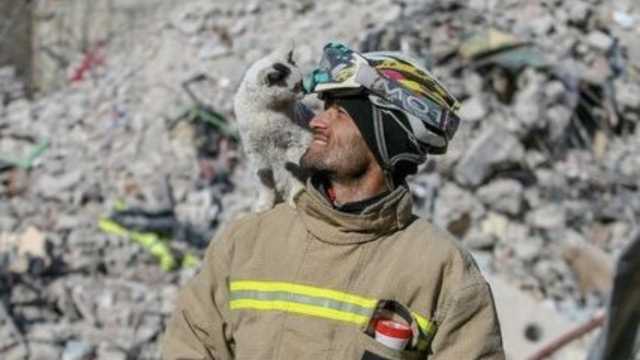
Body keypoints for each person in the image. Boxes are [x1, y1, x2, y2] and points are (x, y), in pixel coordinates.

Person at [162, 42, 504, 359]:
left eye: (340, 112)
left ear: (384, 134)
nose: (318, 120)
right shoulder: (246, 242)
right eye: (324, 107)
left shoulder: (442, 271)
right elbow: (190, 346)